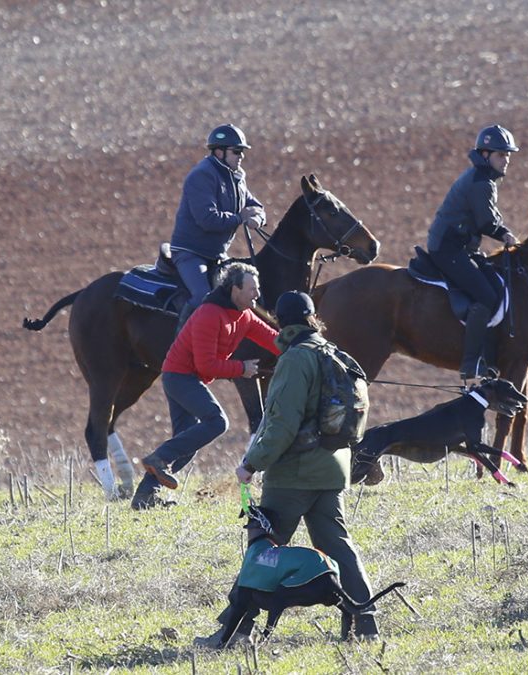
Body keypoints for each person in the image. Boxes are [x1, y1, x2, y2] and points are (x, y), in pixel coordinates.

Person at [198, 291, 378, 646]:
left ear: (280, 321)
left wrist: (252, 463)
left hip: (295, 473)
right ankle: (366, 625)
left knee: (261, 552)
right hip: (332, 468)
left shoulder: (295, 359)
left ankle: (235, 632)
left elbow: (282, 423)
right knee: (339, 547)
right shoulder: (334, 352)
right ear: (313, 318)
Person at [134, 263, 279, 510]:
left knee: (186, 446)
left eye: (258, 288)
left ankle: (145, 497)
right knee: (217, 421)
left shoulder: (244, 315)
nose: (257, 294)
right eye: (252, 289)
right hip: (179, 376)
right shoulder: (210, 314)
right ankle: (159, 458)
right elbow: (207, 365)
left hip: (188, 377)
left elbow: (274, 339)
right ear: (235, 290)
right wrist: (241, 368)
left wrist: (303, 348)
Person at [426, 124, 520, 382]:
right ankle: (470, 363)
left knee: (496, 285)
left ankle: (489, 360)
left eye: (508, 155)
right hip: (448, 249)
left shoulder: (484, 178)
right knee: (487, 296)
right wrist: (505, 235)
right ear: (486, 154)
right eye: (502, 155)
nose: (507, 160)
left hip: (462, 247)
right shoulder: (481, 182)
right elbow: (485, 222)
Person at [171, 123, 267, 331]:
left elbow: (256, 206)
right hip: (191, 253)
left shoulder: (236, 178)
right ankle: (180, 343)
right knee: (202, 297)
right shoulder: (202, 176)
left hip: (218, 256)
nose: (241, 156)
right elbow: (207, 219)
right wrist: (240, 217)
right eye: (237, 151)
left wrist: (257, 218)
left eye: (242, 151)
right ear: (219, 151)